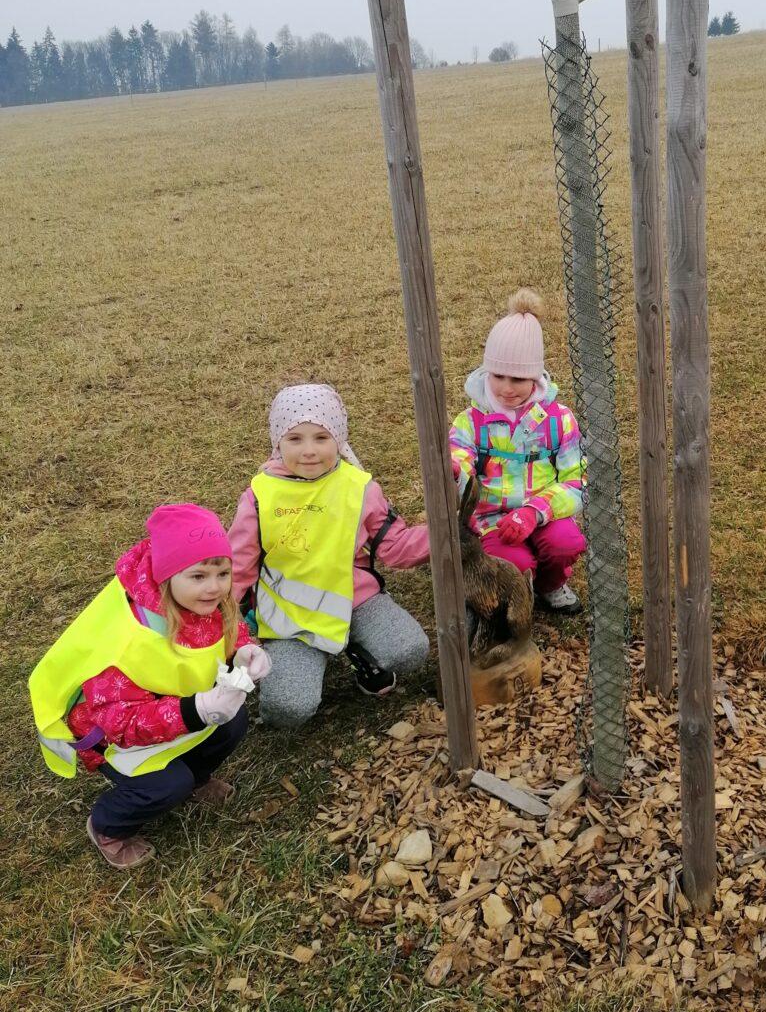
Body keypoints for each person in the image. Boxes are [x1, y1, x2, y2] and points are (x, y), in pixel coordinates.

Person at [29, 504, 269, 869]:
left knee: (233, 723)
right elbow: (119, 724)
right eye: (199, 576)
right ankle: (108, 825)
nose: (215, 587)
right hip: (113, 740)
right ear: (165, 577)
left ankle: (196, 779)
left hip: (173, 709)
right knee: (164, 785)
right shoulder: (132, 638)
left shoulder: (203, 602)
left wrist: (245, 650)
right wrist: (197, 710)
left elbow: (227, 632)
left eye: (222, 573)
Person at [229, 384, 430, 729]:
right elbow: (238, 566)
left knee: (410, 649)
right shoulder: (259, 496)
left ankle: (357, 650)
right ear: (278, 442)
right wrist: (222, 619)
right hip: (291, 618)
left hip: (354, 600)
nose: (309, 451)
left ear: (339, 438)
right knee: (288, 710)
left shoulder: (360, 487)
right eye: (295, 439)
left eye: (321, 437)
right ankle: (294, 667)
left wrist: (446, 531)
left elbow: (394, 546)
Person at [449, 289, 587, 610]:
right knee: (515, 564)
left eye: (519, 378)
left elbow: (576, 484)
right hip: (491, 520)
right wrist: (456, 472)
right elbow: (458, 461)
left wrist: (534, 511)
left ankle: (550, 584)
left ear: (536, 377)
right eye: (498, 376)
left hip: (544, 512)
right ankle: (520, 587)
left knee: (566, 543)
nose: (507, 388)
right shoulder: (470, 422)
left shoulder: (559, 420)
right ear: (486, 372)